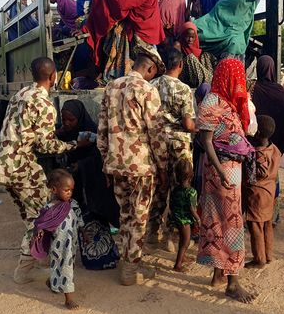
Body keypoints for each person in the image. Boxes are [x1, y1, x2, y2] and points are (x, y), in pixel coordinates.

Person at [0, 57, 91, 284]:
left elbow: (26, 130)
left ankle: (40, 258)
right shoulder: (44, 104)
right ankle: (23, 270)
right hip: (21, 167)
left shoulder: (20, 95)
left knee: (30, 213)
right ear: (53, 77)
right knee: (41, 218)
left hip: (3, 165)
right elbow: (46, 146)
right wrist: (75, 145)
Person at [97, 51, 169, 286]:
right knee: (139, 218)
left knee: (125, 214)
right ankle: (130, 270)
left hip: (116, 164)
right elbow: (156, 134)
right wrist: (164, 166)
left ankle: (125, 258)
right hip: (141, 166)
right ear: (149, 70)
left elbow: (102, 131)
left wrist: (106, 163)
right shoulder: (147, 90)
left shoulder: (111, 87)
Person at [196, 58, 256, 303]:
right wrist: (221, 172)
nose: (241, 82)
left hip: (229, 168)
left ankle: (218, 273)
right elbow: (206, 141)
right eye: (238, 76)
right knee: (231, 223)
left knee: (219, 219)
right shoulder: (213, 101)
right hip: (223, 170)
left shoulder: (227, 101)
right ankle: (233, 282)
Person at [85, 0, 165, 81]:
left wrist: (130, 15)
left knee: (145, 54)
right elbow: (98, 12)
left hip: (144, 18)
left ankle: (146, 80)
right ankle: (119, 76)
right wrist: (85, 28)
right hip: (127, 20)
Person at [148, 49, 196, 246]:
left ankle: (153, 231)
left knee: (159, 185)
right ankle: (172, 234)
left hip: (157, 141)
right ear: (181, 65)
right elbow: (187, 124)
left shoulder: (152, 85)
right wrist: (196, 127)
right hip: (179, 144)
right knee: (179, 189)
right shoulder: (184, 89)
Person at [56, 99, 119, 229]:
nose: (67, 123)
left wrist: (81, 164)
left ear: (79, 117)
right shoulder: (62, 132)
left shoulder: (91, 131)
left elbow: (98, 156)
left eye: (71, 120)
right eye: (64, 119)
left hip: (91, 175)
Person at [30, 169, 83, 310]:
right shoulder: (49, 208)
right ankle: (69, 298)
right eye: (66, 190)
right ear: (54, 189)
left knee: (65, 266)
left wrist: (86, 234)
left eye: (71, 190)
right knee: (65, 267)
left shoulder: (73, 204)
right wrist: (39, 232)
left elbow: (79, 220)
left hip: (72, 244)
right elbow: (41, 223)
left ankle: (52, 281)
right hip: (58, 246)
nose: (69, 193)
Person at [194, 0, 269, 59]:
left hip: (238, 30)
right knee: (231, 42)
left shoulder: (253, 1)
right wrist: (230, 26)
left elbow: (245, 20)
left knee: (238, 44)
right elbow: (223, 9)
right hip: (221, 24)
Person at [243, 115, 281, 268]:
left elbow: (261, 172)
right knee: (267, 224)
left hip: (258, 192)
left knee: (255, 226)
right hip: (270, 190)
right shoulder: (274, 148)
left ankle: (259, 258)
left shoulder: (259, 153)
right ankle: (268, 255)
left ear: (257, 133)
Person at [251, 55, 284, 155]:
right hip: (275, 141)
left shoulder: (251, 87)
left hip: (254, 138)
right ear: (272, 69)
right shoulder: (279, 90)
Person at [169, 159, 201, 272]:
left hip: (177, 217)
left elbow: (171, 203)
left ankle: (183, 257)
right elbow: (192, 209)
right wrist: (198, 219)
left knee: (182, 239)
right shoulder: (191, 191)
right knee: (186, 241)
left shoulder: (175, 190)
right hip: (185, 220)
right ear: (192, 175)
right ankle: (177, 265)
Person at [178, 21, 215, 88]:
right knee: (190, 58)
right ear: (183, 36)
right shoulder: (179, 47)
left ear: (196, 37)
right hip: (188, 81)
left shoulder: (200, 52)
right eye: (187, 36)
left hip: (203, 83)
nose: (190, 40)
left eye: (192, 37)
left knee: (205, 56)